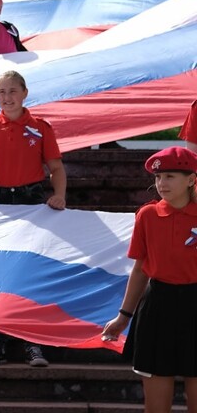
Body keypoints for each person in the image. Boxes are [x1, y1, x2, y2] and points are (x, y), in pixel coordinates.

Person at [0, 70, 66, 368]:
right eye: (1, 92)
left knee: (28, 273)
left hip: (31, 201)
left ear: (24, 93)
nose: (7, 97)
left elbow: (56, 168)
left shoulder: (40, 127)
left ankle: (33, 343)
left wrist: (59, 195)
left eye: (12, 91)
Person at [102, 146, 197, 413]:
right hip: (158, 307)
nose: (161, 183)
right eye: (158, 177)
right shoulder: (147, 215)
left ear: (191, 179)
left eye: (170, 176)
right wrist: (123, 315)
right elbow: (141, 268)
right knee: (156, 406)